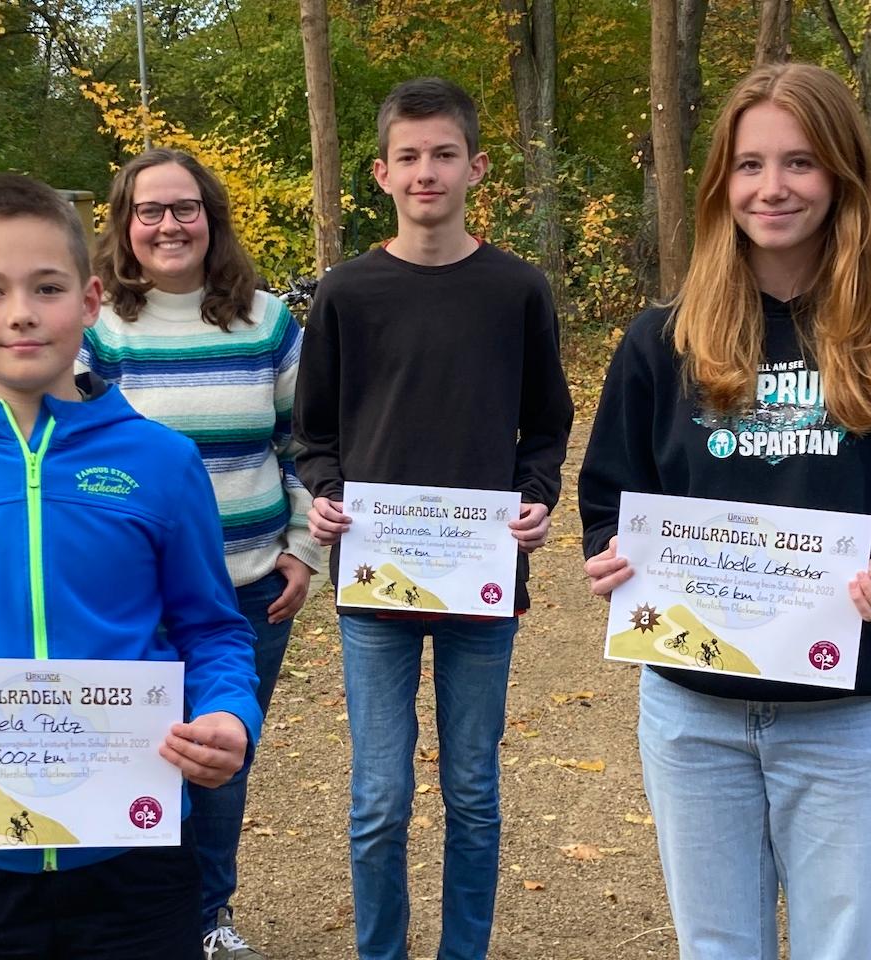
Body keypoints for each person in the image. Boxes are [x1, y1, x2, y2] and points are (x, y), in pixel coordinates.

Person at [576, 63, 871, 959]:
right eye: (750, 164)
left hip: (849, 715)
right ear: (722, 179)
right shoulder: (661, 342)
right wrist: (609, 552)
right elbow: (609, 501)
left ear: (842, 176)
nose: (772, 187)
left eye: (799, 163)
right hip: (694, 714)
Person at [0, 173, 264, 960]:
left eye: (47, 287)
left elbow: (212, 629)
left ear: (91, 301)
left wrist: (231, 715)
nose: (22, 312)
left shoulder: (162, 464)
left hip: (136, 857)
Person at [294, 77, 574, 960]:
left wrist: (536, 499)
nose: (427, 173)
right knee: (378, 799)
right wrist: (327, 493)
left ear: (476, 167)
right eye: (409, 157)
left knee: (473, 791)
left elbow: (549, 423)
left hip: (482, 583)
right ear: (380, 173)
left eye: (443, 155)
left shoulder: (517, 290)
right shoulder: (346, 293)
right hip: (374, 583)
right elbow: (315, 431)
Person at [79, 147, 320, 960]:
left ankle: (211, 916)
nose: (168, 225)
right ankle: (142, 917)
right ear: (125, 225)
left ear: (212, 219)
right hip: (132, 600)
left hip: (248, 589)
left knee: (219, 759)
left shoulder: (267, 320)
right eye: (149, 211)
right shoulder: (99, 327)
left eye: (185, 208)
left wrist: (301, 547)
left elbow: (305, 443)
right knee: (136, 755)